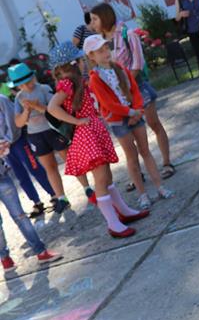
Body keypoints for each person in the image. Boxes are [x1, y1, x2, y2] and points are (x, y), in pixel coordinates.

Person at [45, 43, 148, 239]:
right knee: (100, 179)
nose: (84, 63)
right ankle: (113, 223)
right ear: (73, 64)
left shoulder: (79, 82)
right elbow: (52, 107)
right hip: (86, 135)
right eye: (81, 61)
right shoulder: (68, 83)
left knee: (107, 176)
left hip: (93, 130)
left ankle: (123, 212)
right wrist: (77, 121)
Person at [84, 34, 174, 209]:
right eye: (99, 51)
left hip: (135, 114)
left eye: (106, 48)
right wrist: (130, 111)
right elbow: (108, 103)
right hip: (119, 121)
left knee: (145, 151)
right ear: (91, 56)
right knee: (132, 157)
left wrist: (138, 110)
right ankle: (142, 194)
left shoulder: (120, 68)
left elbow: (135, 89)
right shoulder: (95, 78)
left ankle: (159, 186)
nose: (105, 53)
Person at [89, 3, 175, 181]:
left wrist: (125, 86)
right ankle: (137, 174)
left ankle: (166, 163)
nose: (92, 23)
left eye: (95, 19)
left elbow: (137, 64)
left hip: (137, 89)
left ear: (105, 16)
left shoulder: (127, 34)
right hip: (117, 99)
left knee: (153, 124)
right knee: (128, 138)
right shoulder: (99, 42)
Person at [9, 63, 71, 213]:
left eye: (28, 81)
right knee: (49, 167)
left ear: (33, 77)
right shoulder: (19, 98)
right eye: (22, 84)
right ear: (17, 86)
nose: (27, 85)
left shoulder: (43, 89)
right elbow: (18, 122)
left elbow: (55, 110)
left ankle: (87, 187)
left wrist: (38, 107)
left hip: (52, 130)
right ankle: (61, 197)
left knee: (69, 160)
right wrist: (26, 111)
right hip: (35, 135)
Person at [0, 137, 61, 271]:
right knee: (18, 217)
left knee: (20, 216)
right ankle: (5, 258)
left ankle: (39, 252)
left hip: (2, 177)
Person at [0, 91, 54, 218]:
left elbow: (12, 121)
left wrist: (8, 140)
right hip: (3, 148)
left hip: (17, 140)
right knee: (20, 176)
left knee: (34, 167)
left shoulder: (2, 100)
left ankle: (54, 194)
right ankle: (36, 202)